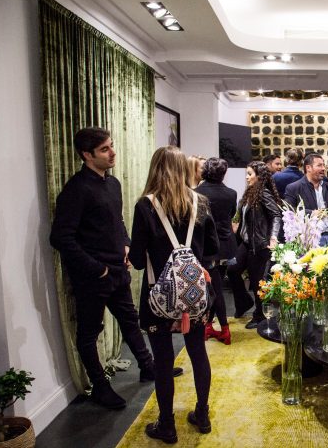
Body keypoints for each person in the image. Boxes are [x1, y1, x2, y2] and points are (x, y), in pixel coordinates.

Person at [50, 127, 158, 410]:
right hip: (93, 277)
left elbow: (117, 221)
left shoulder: (113, 184)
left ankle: (148, 367)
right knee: (89, 332)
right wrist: (97, 269)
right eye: (104, 149)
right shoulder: (76, 190)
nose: (112, 153)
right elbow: (60, 238)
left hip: (117, 270)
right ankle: (100, 386)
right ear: (87, 155)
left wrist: (126, 245)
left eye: (111, 146)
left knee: (130, 320)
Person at [128, 146, 218, 443]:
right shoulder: (200, 202)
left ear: (155, 169)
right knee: (198, 352)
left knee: (163, 360)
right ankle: (202, 414)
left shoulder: (146, 205)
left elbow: (138, 260)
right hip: (195, 295)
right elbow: (213, 249)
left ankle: (167, 424)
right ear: (183, 169)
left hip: (158, 296)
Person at [228, 161, 282, 329]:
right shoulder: (250, 193)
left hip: (259, 244)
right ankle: (244, 302)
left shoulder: (263, 193)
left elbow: (276, 215)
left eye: (250, 174)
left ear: (259, 176)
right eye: (247, 173)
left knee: (257, 281)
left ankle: (259, 315)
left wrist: (273, 237)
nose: (247, 177)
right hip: (246, 242)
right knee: (232, 269)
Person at [195, 157, 238, 345]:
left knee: (215, 289)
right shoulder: (231, 193)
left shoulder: (197, 193)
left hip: (207, 247)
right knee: (216, 286)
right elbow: (230, 215)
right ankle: (210, 326)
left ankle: (223, 328)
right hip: (227, 245)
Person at [284, 153, 328, 246]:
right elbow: (289, 212)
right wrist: (311, 213)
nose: (323, 168)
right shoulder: (293, 188)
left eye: (323, 165)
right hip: (310, 240)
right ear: (308, 168)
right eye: (319, 165)